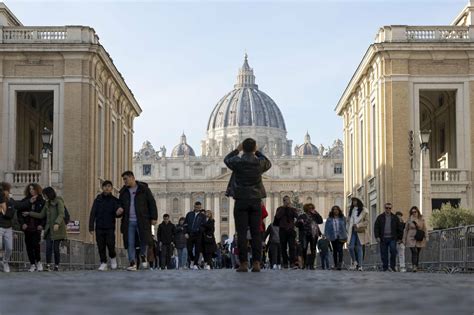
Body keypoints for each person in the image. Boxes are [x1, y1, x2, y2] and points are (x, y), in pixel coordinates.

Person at [224, 138, 271, 272]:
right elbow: (268, 163)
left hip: (241, 200)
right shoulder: (259, 162)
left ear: (243, 148)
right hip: (255, 200)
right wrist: (258, 152)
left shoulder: (237, 162)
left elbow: (227, 159)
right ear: (255, 148)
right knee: (256, 234)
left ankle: (243, 263)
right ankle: (256, 262)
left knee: (242, 233)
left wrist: (237, 150)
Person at [119, 171, 158, 271]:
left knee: (143, 239)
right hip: (128, 221)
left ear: (132, 177)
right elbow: (120, 205)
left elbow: (152, 203)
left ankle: (142, 255)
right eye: (123, 179)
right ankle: (132, 262)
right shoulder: (123, 192)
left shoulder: (144, 189)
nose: (124, 181)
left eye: (125, 179)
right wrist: (118, 210)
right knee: (129, 242)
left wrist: (154, 217)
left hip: (142, 219)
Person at [24, 187, 66, 272]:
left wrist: (57, 223)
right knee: (48, 247)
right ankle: (48, 265)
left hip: (58, 228)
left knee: (56, 248)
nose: (44, 197)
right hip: (49, 229)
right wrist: (29, 213)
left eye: (45, 195)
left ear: (49, 194)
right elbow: (41, 215)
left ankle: (57, 265)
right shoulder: (47, 203)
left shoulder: (59, 201)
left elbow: (61, 214)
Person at [88, 180, 123, 271]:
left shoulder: (115, 200)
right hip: (99, 227)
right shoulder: (98, 200)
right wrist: (91, 227)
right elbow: (93, 213)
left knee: (111, 245)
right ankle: (103, 262)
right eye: (105, 186)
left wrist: (119, 212)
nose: (107, 188)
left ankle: (113, 258)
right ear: (102, 188)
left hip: (110, 227)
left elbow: (118, 213)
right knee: (101, 246)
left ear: (111, 188)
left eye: (109, 186)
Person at [16, 183, 46, 272]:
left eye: (33, 189)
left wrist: (42, 225)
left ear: (37, 190)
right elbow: (19, 213)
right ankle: (32, 264)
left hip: (37, 227)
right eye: (30, 189)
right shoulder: (25, 200)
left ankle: (39, 262)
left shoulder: (42, 201)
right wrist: (22, 224)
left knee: (36, 245)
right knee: (28, 246)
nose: (31, 191)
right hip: (27, 227)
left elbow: (44, 216)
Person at [374, 202, 402, 272]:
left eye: (389, 208)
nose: (388, 209)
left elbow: (399, 228)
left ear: (391, 208)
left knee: (393, 251)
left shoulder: (395, 217)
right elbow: (376, 227)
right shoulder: (380, 217)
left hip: (392, 238)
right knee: (384, 253)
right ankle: (385, 267)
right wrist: (377, 236)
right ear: (384, 208)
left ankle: (392, 266)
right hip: (383, 238)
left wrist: (400, 238)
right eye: (387, 208)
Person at [296, 203, 323, 269]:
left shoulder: (315, 216)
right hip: (304, 234)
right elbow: (296, 224)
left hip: (313, 234)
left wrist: (317, 213)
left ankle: (311, 265)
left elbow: (320, 221)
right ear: (306, 209)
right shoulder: (302, 216)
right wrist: (300, 222)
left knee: (313, 249)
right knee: (304, 249)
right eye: (309, 208)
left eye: (312, 208)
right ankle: (304, 264)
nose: (311, 209)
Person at [275, 196, 298, 269]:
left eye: (288, 200)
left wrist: (290, 208)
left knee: (292, 247)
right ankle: (285, 263)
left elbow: (296, 216)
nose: (287, 202)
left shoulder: (293, 209)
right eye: (285, 200)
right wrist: (284, 208)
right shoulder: (279, 209)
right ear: (283, 201)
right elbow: (278, 216)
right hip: (282, 229)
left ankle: (292, 263)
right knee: (283, 247)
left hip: (291, 230)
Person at [346, 197, 370, 271]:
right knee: (350, 247)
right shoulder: (351, 210)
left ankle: (360, 265)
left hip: (360, 230)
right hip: (352, 231)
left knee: (359, 248)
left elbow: (366, 222)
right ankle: (354, 261)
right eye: (353, 201)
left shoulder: (364, 210)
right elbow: (348, 221)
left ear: (358, 201)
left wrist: (358, 225)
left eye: (355, 201)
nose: (354, 202)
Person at [403, 206, 428, 272]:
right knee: (414, 251)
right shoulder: (409, 220)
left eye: (415, 212)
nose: (414, 213)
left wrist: (426, 236)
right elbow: (405, 230)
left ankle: (415, 266)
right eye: (412, 212)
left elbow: (424, 228)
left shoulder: (421, 219)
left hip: (419, 236)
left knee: (417, 252)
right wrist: (404, 239)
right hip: (410, 237)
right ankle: (414, 266)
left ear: (417, 212)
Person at [324, 205, 347, 270]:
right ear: (332, 211)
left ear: (339, 210)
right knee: (334, 250)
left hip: (341, 236)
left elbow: (346, 227)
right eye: (334, 209)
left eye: (336, 209)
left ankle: (340, 264)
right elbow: (326, 228)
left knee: (340, 249)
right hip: (333, 236)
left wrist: (347, 234)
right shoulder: (329, 219)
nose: (335, 211)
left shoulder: (343, 218)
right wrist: (327, 236)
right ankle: (335, 264)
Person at [184, 201, 206, 270]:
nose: (198, 209)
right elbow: (185, 224)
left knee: (197, 250)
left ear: (200, 207)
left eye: (199, 208)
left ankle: (195, 264)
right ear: (194, 207)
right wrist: (185, 233)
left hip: (198, 235)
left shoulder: (203, 216)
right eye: (197, 207)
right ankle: (192, 260)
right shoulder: (189, 214)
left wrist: (199, 230)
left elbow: (204, 226)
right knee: (189, 249)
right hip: (190, 234)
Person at [0, 182, 15, 273]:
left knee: (9, 248)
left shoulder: (10, 201)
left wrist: (2, 210)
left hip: (8, 227)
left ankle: (5, 262)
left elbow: (10, 214)